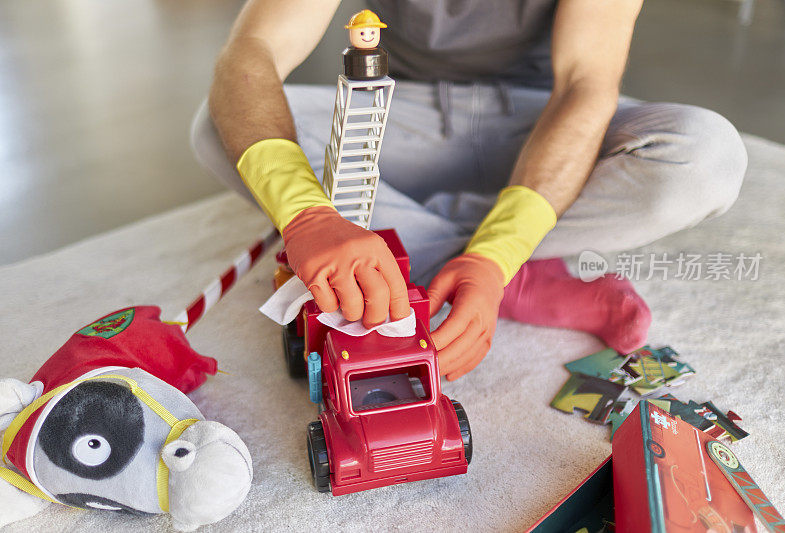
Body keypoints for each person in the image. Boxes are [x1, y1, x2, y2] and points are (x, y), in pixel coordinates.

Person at [191, 1, 747, 381]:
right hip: (401, 115)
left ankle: (465, 254)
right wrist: (308, 216)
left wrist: (495, 254)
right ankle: (520, 268)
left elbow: (585, 85)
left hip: (543, 125)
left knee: (704, 156)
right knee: (219, 126)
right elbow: (252, 50)